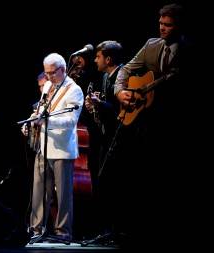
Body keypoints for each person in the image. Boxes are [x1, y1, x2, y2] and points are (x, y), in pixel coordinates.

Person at [113, 3, 191, 247]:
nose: (163, 28)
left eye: (168, 25)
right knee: (144, 178)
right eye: (161, 23)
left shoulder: (188, 50)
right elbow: (126, 69)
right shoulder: (151, 45)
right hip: (146, 125)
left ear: (179, 26)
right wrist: (119, 92)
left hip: (176, 125)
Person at [28, 53, 84, 242]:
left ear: (63, 69)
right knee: (39, 190)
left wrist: (46, 120)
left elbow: (71, 121)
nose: (49, 76)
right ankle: (36, 230)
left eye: (52, 73)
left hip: (61, 148)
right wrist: (31, 121)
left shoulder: (74, 90)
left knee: (63, 194)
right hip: (43, 145)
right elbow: (41, 110)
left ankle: (63, 232)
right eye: (47, 72)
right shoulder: (49, 85)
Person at [84, 40, 124, 238]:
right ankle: (105, 230)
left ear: (108, 59)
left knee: (113, 185)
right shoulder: (105, 77)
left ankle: (115, 231)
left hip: (119, 139)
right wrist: (94, 108)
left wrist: (101, 104)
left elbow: (120, 110)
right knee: (102, 184)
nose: (95, 60)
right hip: (105, 138)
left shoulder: (121, 76)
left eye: (98, 56)